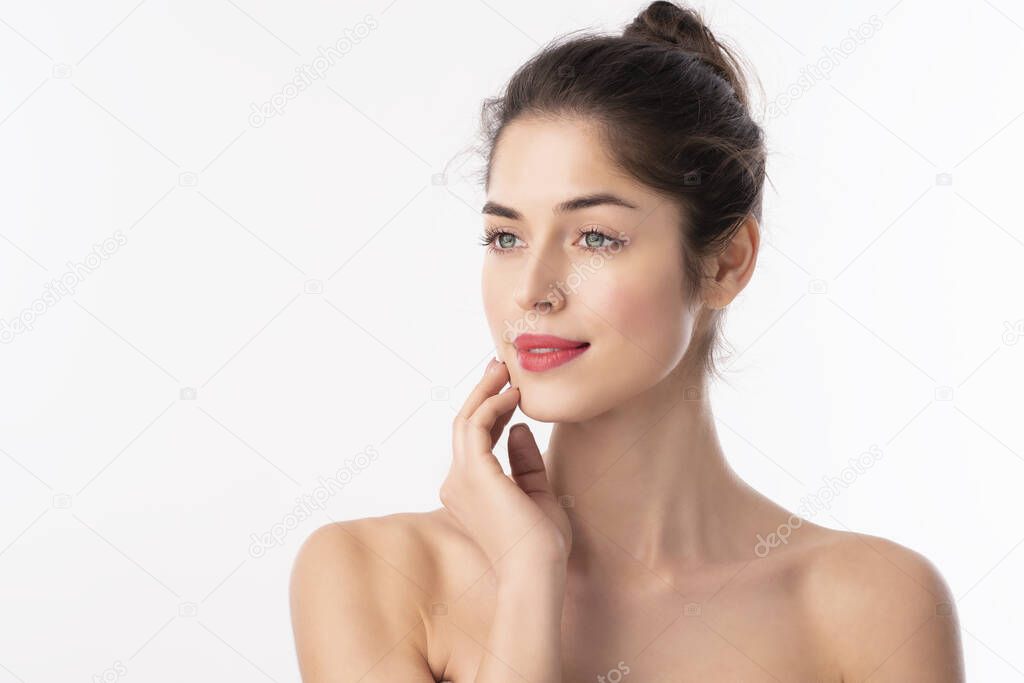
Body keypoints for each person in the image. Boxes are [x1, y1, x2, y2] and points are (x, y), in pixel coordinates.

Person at [289, 2, 965, 680]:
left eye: (595, 237)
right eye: (506, 237)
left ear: (726, 262)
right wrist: (528, 578)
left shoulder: (875, 604)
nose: (532, 289)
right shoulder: (374, 574)